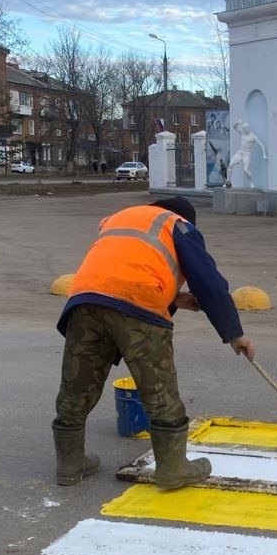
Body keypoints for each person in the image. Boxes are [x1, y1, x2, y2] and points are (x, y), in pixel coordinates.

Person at [52, 196, 254, 489]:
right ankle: (173, 468)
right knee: (157, 385)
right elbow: (207, 282)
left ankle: (69, 464)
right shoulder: (177, 224)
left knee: (79, 380)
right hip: (138, 306)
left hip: (85, 300)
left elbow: (123, 268)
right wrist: (234, 333)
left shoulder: (120, 217)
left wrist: (172, 297)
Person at [227, 120, 267, 189]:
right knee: (230, 165)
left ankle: (251, 182)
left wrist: (264, 154)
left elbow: (261, 145)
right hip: (240, 152)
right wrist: (237, 122)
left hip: (246, 154)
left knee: (246, 170)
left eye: (244, 129)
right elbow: (234, 127)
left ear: (248, 129)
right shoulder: (243, 133)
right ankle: (228, 181)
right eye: (243, 129)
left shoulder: (253, 137)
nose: (244, 130)